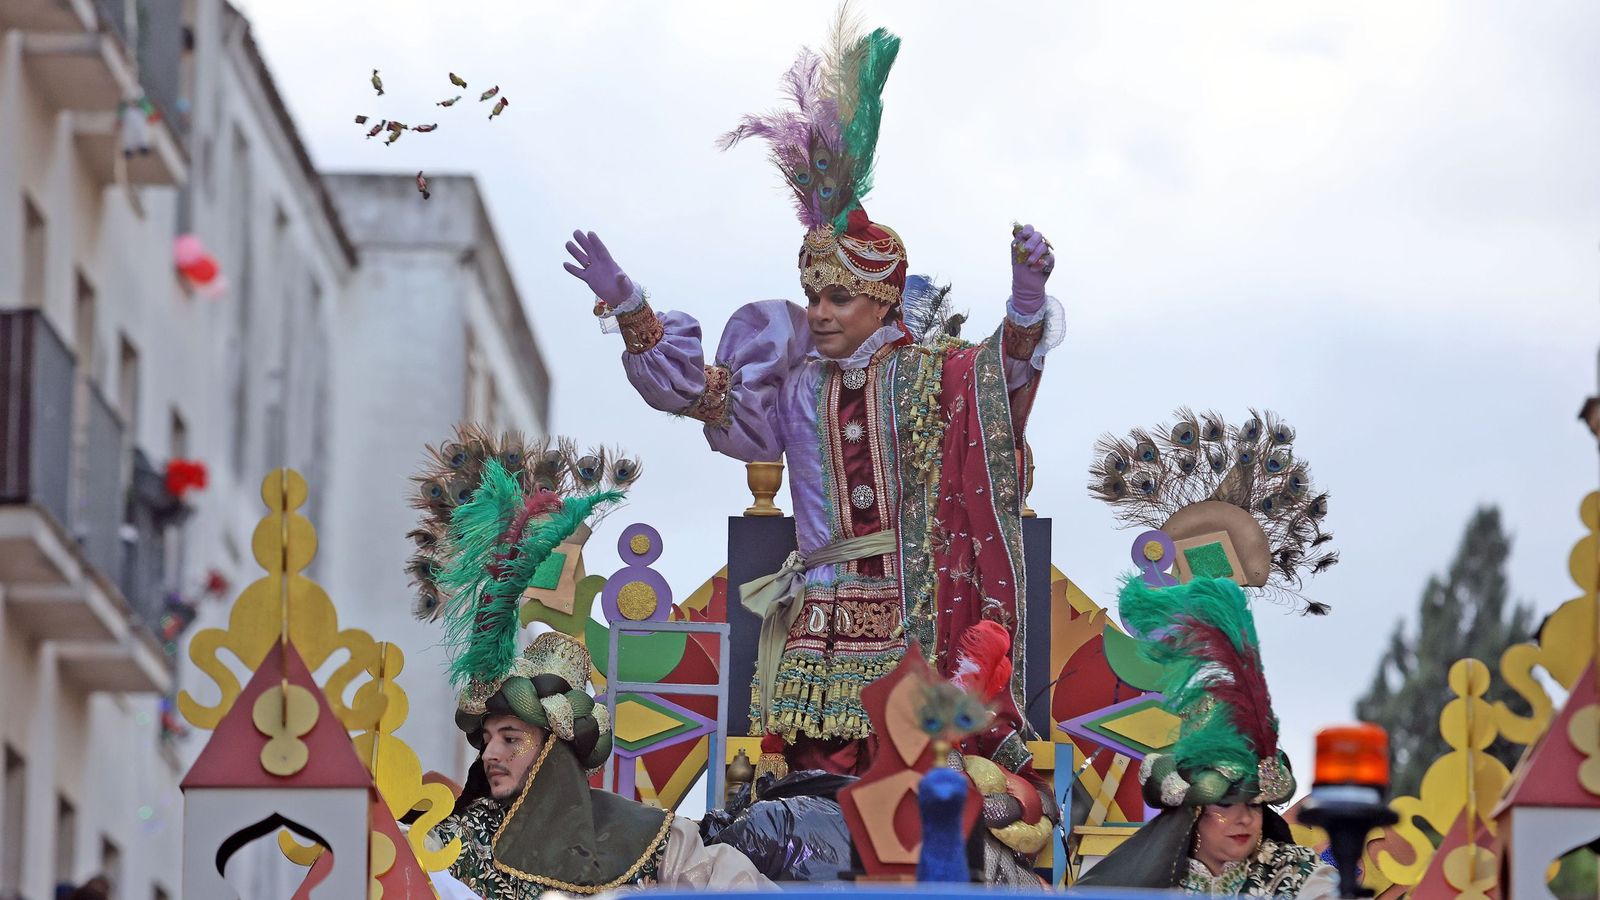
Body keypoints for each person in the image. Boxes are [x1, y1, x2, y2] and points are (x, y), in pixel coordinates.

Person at [562, 16, 1063, 780]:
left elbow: (998, 386)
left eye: (837, 298)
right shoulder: (794, 384)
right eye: (813, 296)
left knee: (914, 777)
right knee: (811, 777)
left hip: (911, 606)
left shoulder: (930, 374)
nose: (820, 311)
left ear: (881, 304)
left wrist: (1026, 301)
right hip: (818, 612)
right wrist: (631, 306)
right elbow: (701, 394)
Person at [403, 428, 771, 898]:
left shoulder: (658, 842)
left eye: (511, 738)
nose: (491, 754)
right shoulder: (451, 845)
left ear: (554, 747)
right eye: (488, 739)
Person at [1074, 576, 1338, 897]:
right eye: (1226, 804)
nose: (1244, 819)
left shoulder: (1296, 875)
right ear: (1193, 810)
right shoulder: (1147, 885)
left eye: (1255, 806)